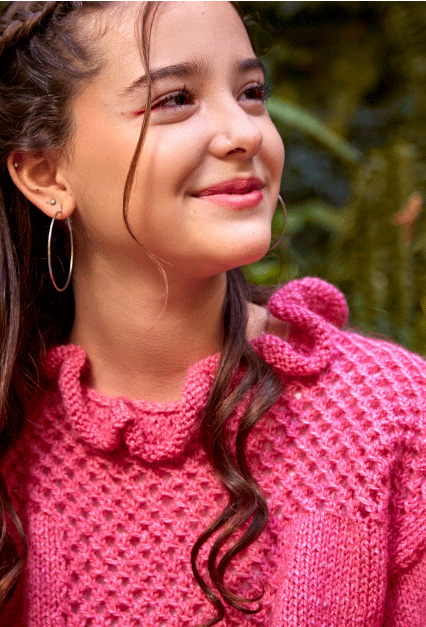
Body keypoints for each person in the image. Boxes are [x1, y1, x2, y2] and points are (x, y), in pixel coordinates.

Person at [0, 1, 425, 626]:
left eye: (251, 93)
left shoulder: (395, 420)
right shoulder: (14, 442)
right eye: (175, 99)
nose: (244, 133)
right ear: (46, 174)